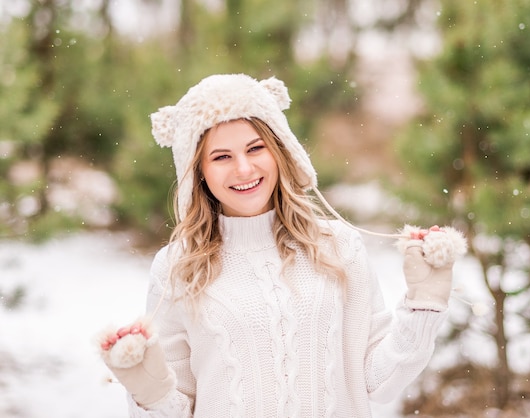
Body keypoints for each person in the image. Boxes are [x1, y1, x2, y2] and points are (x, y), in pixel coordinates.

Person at [97, 73, 466, 417]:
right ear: (198, 172)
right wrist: (151, 392)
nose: (243, 169)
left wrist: (423, 305)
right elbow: (178, 409)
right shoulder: (177, 267)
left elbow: (378, 381)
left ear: (280, 151)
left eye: (255, 148)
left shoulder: (339, 246)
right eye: (221, 156)